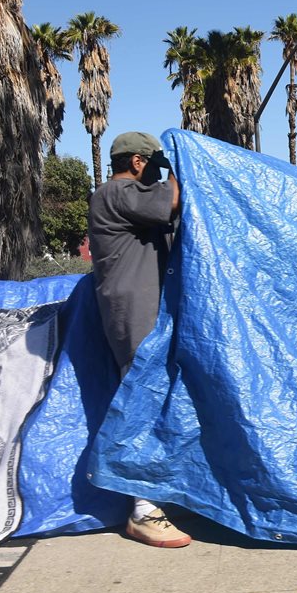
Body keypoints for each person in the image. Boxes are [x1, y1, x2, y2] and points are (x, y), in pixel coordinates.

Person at [88, 131, 190, 548]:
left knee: (155, 397)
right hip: (134, 312)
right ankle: (143, 509)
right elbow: (173, 200)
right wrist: (182, 165)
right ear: (136, 162)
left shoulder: (132, 200)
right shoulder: (118, 192)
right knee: (141, 399)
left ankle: (159, 493)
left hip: (145, 310)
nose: (158, 171)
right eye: (154, 163)